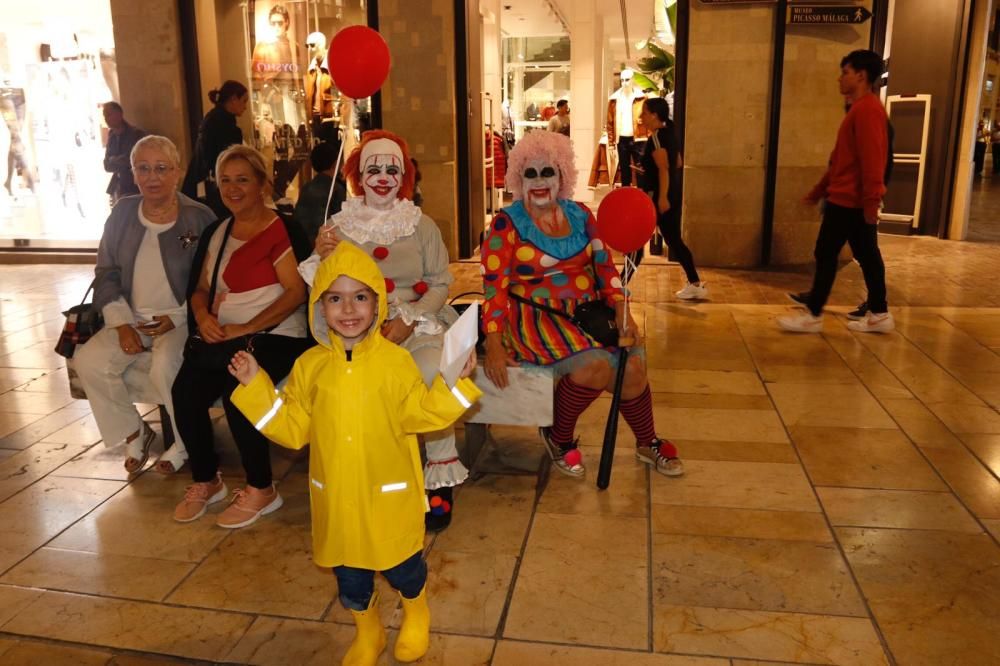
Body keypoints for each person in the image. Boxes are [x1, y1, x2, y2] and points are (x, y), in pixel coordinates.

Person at [228, 241, 481, 666]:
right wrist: (257, 386)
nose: (348, 309)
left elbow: (422, 414)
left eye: (360, 297)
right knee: (351, 578)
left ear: (378, 302)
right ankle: (368, 631)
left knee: (403, 567)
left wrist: (454, 383)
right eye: (335, 298)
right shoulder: (310, 367)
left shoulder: (395, 364)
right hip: (338, 498)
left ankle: (416, 610)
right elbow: (293, 428)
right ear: (319, 307)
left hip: (388, 495)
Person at [481, 130, 684, 479]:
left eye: (549, 172)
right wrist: (494, 342)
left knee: (632, 366)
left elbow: (605, 268)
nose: (541, 181)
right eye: (531, 173)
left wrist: (622, 310)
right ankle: (558, 437)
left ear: (563, 176)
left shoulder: (580, 215)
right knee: (596, 366)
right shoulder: (507, 223)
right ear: (518, 178)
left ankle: (646, 440)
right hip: (536, 317)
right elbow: (494, 288)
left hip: (589, 313)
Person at [300, 130, 468, 531]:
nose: (382, 176)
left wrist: (409, 318)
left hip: (419, 320)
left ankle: (439, 473)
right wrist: (321, 255)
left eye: (392, 168)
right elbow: (318, 282)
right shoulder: (338, 224)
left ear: (404, 175)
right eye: (373, 167)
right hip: (356, 326)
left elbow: (441, 283)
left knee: (430, 372)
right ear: (358, 173)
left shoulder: (422, 224)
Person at [172, 145, 311, 528]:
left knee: (240, 393)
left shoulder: (282, 228)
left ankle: (262, 488)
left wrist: (246, 328)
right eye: (226, 180)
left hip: (278, 335)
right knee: (185, 390)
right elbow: (198, 288)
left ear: (262, 185)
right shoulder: (218, 232)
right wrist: (202, 317)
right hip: (225, 335)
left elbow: (296, 293)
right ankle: (206, 480)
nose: (232, 189)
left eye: (242, 180)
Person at [75, 135, 215, 475]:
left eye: (161, 168)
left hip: (181, 319)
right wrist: (122, 322)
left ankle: (184, 443)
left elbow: (212, 280)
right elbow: (106, 271)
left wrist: (178, 316)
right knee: (88, 360)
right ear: (133, 173)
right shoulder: (122, 213)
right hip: (131, 317)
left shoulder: (198, 217)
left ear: (177, 173)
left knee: (166, 363)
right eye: (143, 168)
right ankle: (135, 431)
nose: (152, 177)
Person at [778, 49, 893, 334]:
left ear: (861, 76)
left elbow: (873, 161)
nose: (839, 78)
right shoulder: (861, 109)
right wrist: (819, 191)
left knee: (829, 251)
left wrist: (870, 204)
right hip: (846, 198)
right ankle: (878, 313)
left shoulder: (867, 111)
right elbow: (841, 160)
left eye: (845, 72)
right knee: (864, 254)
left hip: (850, 201)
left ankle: (815, 314)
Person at [628, 97, 707, 300]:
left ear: (654, 115)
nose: (641, 117)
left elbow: (664, 169)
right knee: (673, 239)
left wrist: (662, 196)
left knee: (637, 238)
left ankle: (620, 283)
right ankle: (695, 282)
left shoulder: (656, 138)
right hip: (668, 195)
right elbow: (677, 163)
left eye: (644, 113)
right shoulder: (669, 134)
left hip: (659, 197)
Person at [181, 80, 248, 220]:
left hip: (202, 185)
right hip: (213, 189)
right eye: (244, 101)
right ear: (233, 99)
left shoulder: (212, 119)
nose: (245, 106)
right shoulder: (226, 127)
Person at [293, 140, 347, 246]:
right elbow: (340, 223)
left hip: (303, 246)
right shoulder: (336, 189)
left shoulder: (306, 188)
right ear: (335, 163)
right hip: (326, 245)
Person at [102, 101, 146, 204]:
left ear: (119, 114)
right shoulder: (112, 136)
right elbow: (107, 165)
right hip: (118, 188)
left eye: (109, 114)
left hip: (135, 188)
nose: (106, 119)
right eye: (104, 116)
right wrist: (119, 160)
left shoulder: (136, 134)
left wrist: (114, 160)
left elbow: (132, 161)